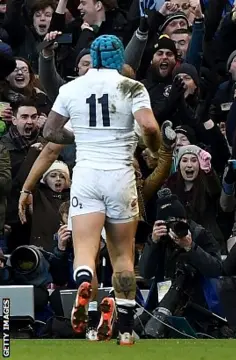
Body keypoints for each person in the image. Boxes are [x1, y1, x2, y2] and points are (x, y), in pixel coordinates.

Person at [41, 35, 162, 345]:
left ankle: (84, 284)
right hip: (120, 175)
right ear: (120, 58)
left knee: (85, 250)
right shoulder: (131, 87)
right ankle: (124, 330)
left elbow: (50, 131)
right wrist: (153, 147)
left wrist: (81, 137)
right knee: (122, 256)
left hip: (87, 175)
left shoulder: (72, 88)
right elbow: (148, 127)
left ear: (92, 59)